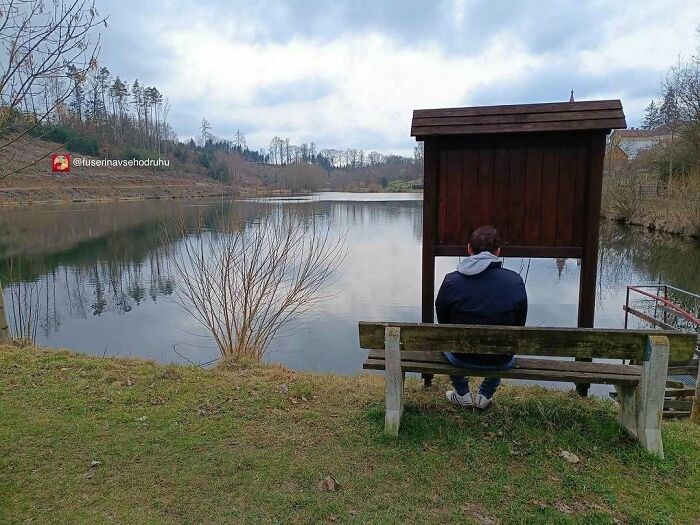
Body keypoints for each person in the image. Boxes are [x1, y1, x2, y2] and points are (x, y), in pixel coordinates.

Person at [435, 225, 527, 410]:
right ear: (498, 251)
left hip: (460, 356)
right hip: (500, 359)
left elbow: (443, 321)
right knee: (505, 340)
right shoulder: (514, 280)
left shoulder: (451, 281)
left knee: (446, 340)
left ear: (469, 248)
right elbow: (519, 324)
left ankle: (462, 393)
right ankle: (485, 395)